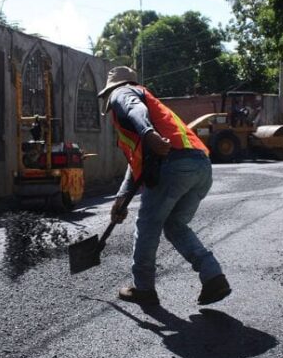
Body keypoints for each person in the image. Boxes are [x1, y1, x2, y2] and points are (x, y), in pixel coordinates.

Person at [98, 66, 231, 306]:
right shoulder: (153, 108)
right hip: (200, 165)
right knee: (175, 225)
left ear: (113, 88)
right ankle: (213, 276)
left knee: (148, 224)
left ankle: (144, 288)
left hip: (173, 165)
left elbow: (133, 108)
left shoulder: (124, 93)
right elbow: (136, 164)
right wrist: (121, 198)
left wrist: (148, 133)